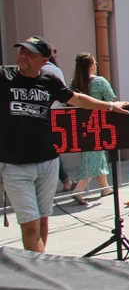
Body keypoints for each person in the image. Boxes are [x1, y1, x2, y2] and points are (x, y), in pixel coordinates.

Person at [1, 37, 129, 252]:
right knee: (30, 225)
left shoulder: (49, 80)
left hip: (47, 161)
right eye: (22, 51)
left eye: (30, 53)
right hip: (15, 165)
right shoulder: (4, 77)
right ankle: (40, 274)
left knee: (43, 220)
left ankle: (39, 266)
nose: (23, 56)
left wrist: (109, 106)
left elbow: (78, 99)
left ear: (43, 61)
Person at [69, 53, 117, 204]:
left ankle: (105, 188)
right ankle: (78, 190)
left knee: (96, 155)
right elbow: (111, 99)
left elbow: (69, 102)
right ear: (91, 65)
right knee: (93, 158)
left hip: (80, 124)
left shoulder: (74, 83)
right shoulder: (99, 81)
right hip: (98, 123)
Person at [41, 46, 74, 194]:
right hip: (53, 113)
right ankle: (65, 180)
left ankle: (64, 179)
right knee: (52, 147)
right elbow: (65, 94)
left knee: (52, 147)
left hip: (46, 113)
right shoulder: (54, 70)